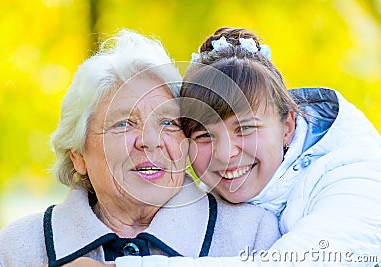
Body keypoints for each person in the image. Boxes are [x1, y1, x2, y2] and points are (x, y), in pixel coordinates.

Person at [0, 29, 280, 267]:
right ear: (78, 156)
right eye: (124, 123)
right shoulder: (17, 249)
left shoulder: (254, 235)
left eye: (168, 122)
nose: (149, 141)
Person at [111, 27, 381, 266]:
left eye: (245, 129)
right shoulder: (198, 201)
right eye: (204, 135)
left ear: (287, 126)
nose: (226, 154)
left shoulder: (356, 176)